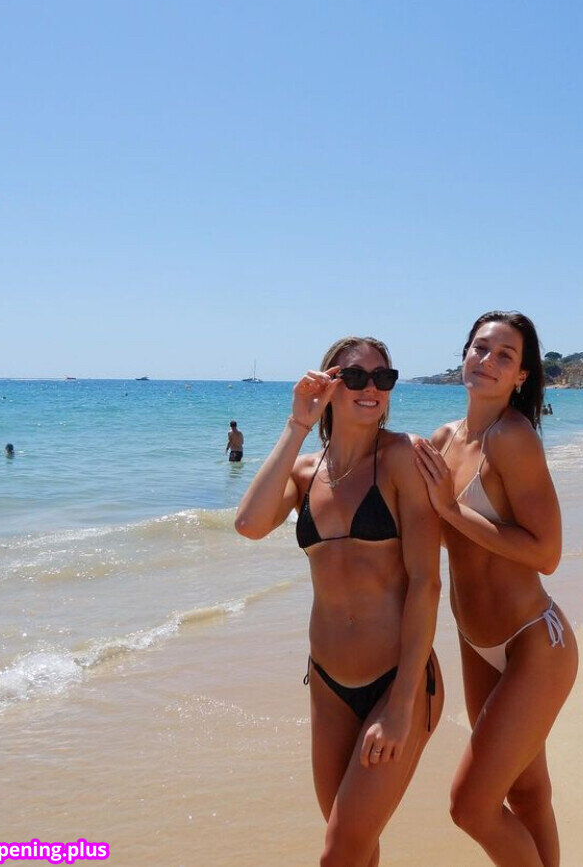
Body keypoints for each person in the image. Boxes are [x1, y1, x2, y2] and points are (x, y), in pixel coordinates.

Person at [236, 336, 443, 867]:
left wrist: (401, 706)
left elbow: (427, 583)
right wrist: (297, 424)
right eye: (354, 376)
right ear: (328, 385)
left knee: (338, 853)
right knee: (355, 848)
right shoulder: (305, 473)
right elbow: (249, 523)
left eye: (383, 377)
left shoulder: (402, 457)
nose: (370, 387)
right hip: (327, 684)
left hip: (398, 681)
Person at [414, 311, 578, 867]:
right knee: (526, 794)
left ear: (521, 376)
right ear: (464, 354)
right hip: (475, 641)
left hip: (534, 643)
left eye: (505, 355)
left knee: (470, 806)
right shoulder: (442, 440)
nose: (487, 360)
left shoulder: (513, 438)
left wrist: (450, 510)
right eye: (480, 348)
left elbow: (547, 553)